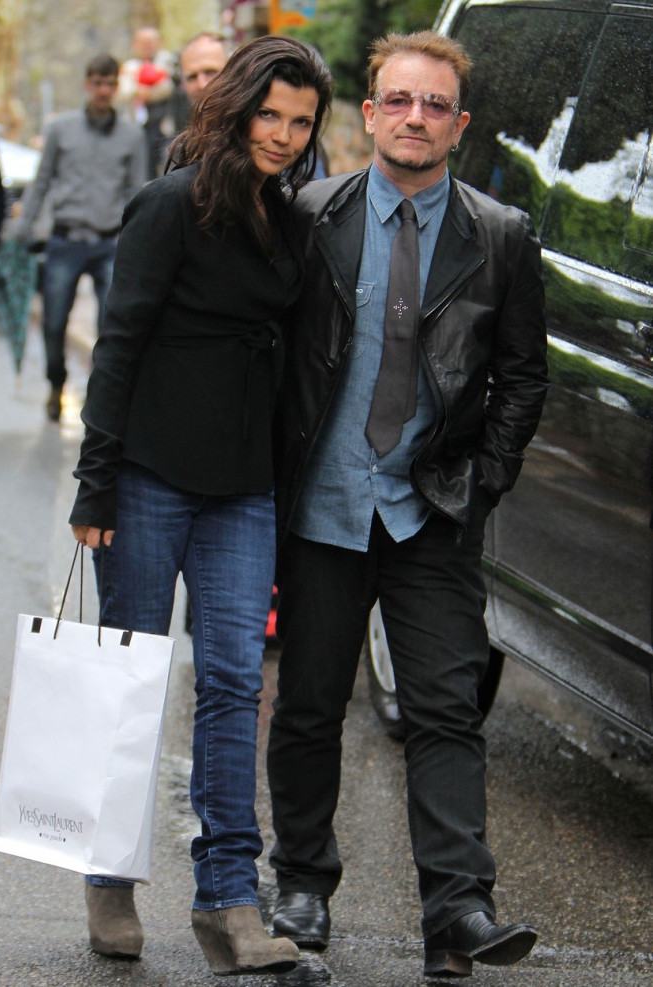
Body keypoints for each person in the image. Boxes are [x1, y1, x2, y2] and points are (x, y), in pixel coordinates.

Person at [266, 30, 548, 981]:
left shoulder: (499, 237)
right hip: (323, 508)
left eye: (435, 105)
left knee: (446, 709)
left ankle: (459, 908)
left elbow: (522, 381)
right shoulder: (308, 216)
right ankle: (301, 884)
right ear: (371, 111)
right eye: (399, 100)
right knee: (307, 706)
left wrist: (479, 486)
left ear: (459, 125)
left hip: (430, 512)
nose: (415, 117)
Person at [68, 34, 332, 977]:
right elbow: (120, 343)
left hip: (241, 490)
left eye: (301, 123)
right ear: (238, 107)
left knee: (231, 684)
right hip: (142, 478)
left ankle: (228, 900)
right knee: (131, 678)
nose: (285, 135)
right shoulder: (171, 204)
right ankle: (110, 874)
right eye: (272, 114)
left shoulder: (293, 222)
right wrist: (95, 481)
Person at [15, 54, 147, 422]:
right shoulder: (61, 129)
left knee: (109, 327)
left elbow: (137, 192)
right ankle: (56, 383)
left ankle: (101, 400)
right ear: (87, 84)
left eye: (110, 84)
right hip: (66, 240)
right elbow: (41, 182)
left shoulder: (131, 136)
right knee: (54, 322)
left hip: (109, 243)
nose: (104, 91)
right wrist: (22, 230)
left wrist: (135, 243)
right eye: (97, 83)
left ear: (116, 87)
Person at [117, 26, 178, 178]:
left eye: (150, 42)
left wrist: (143, 90)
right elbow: (123, 91)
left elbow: (167, 87)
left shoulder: (166, 61)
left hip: (163, 127)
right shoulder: (130, 66)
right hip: (138, 126)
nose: (147, 46)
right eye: (143, 42)